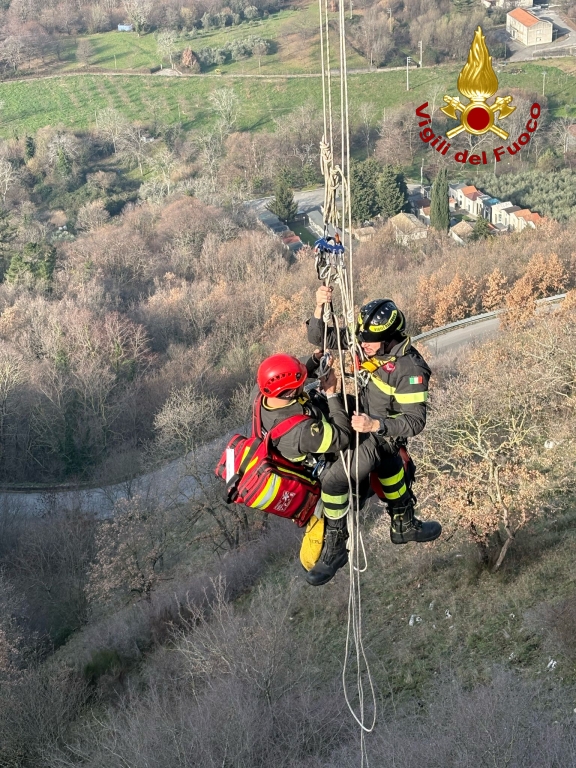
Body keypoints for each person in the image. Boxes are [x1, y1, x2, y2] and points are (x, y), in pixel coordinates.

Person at [304, 286, 442, 586]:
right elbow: (320, 337)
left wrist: (375, 426)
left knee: (334, 480)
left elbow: (415, 422)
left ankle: (336, 546)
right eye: (361, 340)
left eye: (369, 342)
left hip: (381, 433)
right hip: (364, 416)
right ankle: (403, 522)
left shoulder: (410, 369)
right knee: (319, 408)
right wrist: (319, 306)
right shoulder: (368, 343)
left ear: (390, 338)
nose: (362, 346)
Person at [255, 352, 353, 577]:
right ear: (289, 393)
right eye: (298, 384)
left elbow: (284, 379)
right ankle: (336, 539)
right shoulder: (300, 433)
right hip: (316, 469)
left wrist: (313, 360)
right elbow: (342, 436)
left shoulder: (262, 396)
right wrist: (331, 394)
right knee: (340, 478)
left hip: (289, 448)